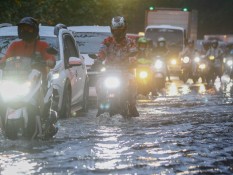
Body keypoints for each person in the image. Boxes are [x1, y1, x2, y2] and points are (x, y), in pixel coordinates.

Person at [0, 17, 57, 137]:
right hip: (16, 80)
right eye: (23, 28)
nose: (25, 31)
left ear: (35, 30)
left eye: (28, 29)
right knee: (2, 100)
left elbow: (50, 59)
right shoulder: (15, 45)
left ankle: (43, 119)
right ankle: (4, 128)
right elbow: (5, 59)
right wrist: (2, 62)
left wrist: (48, 62)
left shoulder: (42, 45)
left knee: (37, 100)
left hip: (37, 80)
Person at [97, 16, 139, 117]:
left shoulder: (130, 42)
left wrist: (133, 61)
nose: (118, 33)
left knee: (133, 83)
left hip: (125, 70)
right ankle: (101, 105)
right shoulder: (107, 41)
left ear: (124, 30)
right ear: (112, 30)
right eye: (116, 30)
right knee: (99, 84)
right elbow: (102, 51)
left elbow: (134, 53)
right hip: (109, 70)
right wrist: (98, 60)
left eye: (120, 30)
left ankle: (132, 106)